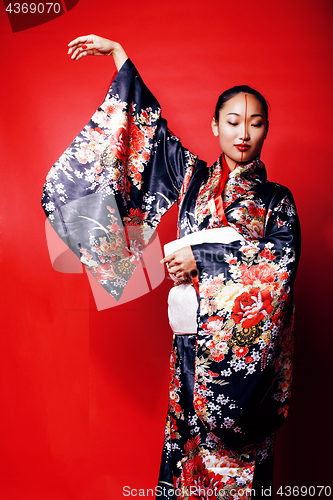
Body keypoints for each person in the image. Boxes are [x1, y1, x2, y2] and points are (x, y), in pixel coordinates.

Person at [42, 35, 301, 499]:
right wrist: (120, 57)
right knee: (186, 472)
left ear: (267, 130)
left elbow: (281, 263)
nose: (244, 133)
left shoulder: (277, 201)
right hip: (187, 354)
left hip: (242, 370)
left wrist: (202, 259)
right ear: (215, 125)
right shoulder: (193, 177)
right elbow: (146, 137)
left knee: (241, 476)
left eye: (256, 124)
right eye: (233, 121)